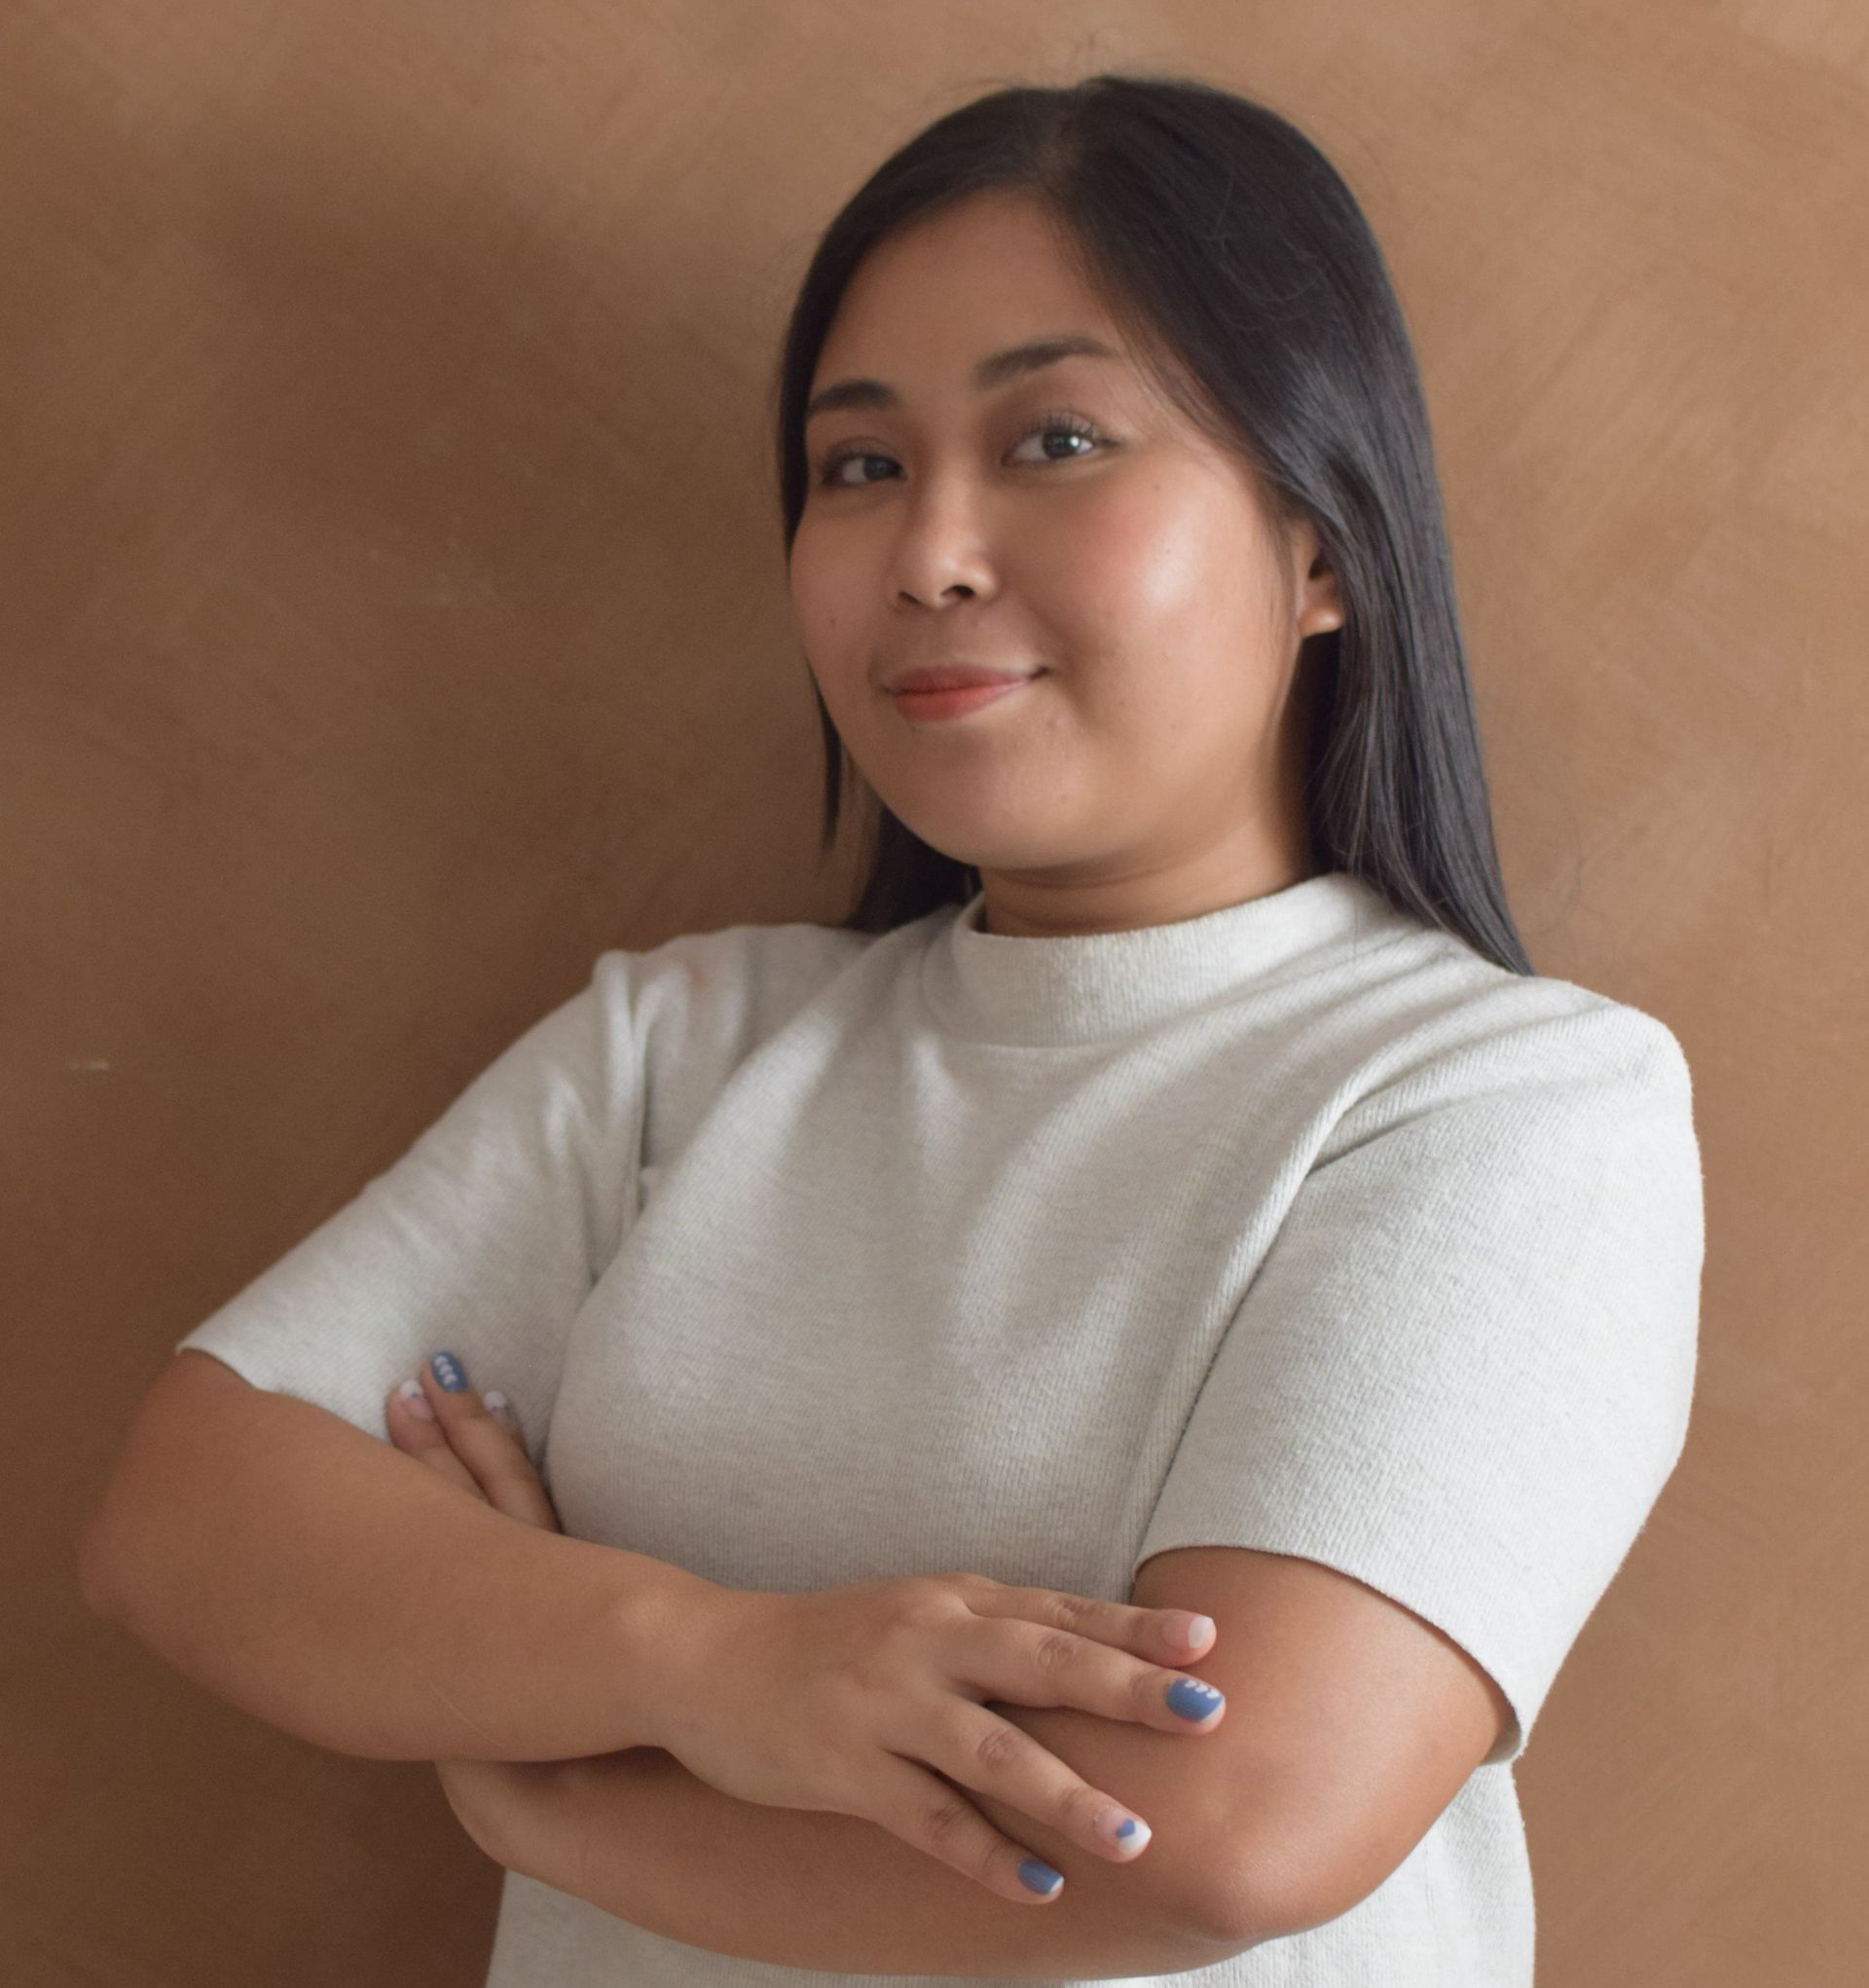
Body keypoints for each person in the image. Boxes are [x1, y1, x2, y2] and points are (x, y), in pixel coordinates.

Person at [110, 69, 1704, 1986]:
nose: (930, 549)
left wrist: (555, 1785)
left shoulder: (1505, 1098)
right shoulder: (684, 1046)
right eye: (858, 464)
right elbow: (192, 1514)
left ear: (1323, 546)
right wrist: (712, 1665)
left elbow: (1221, 1829)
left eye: (1055, 437)